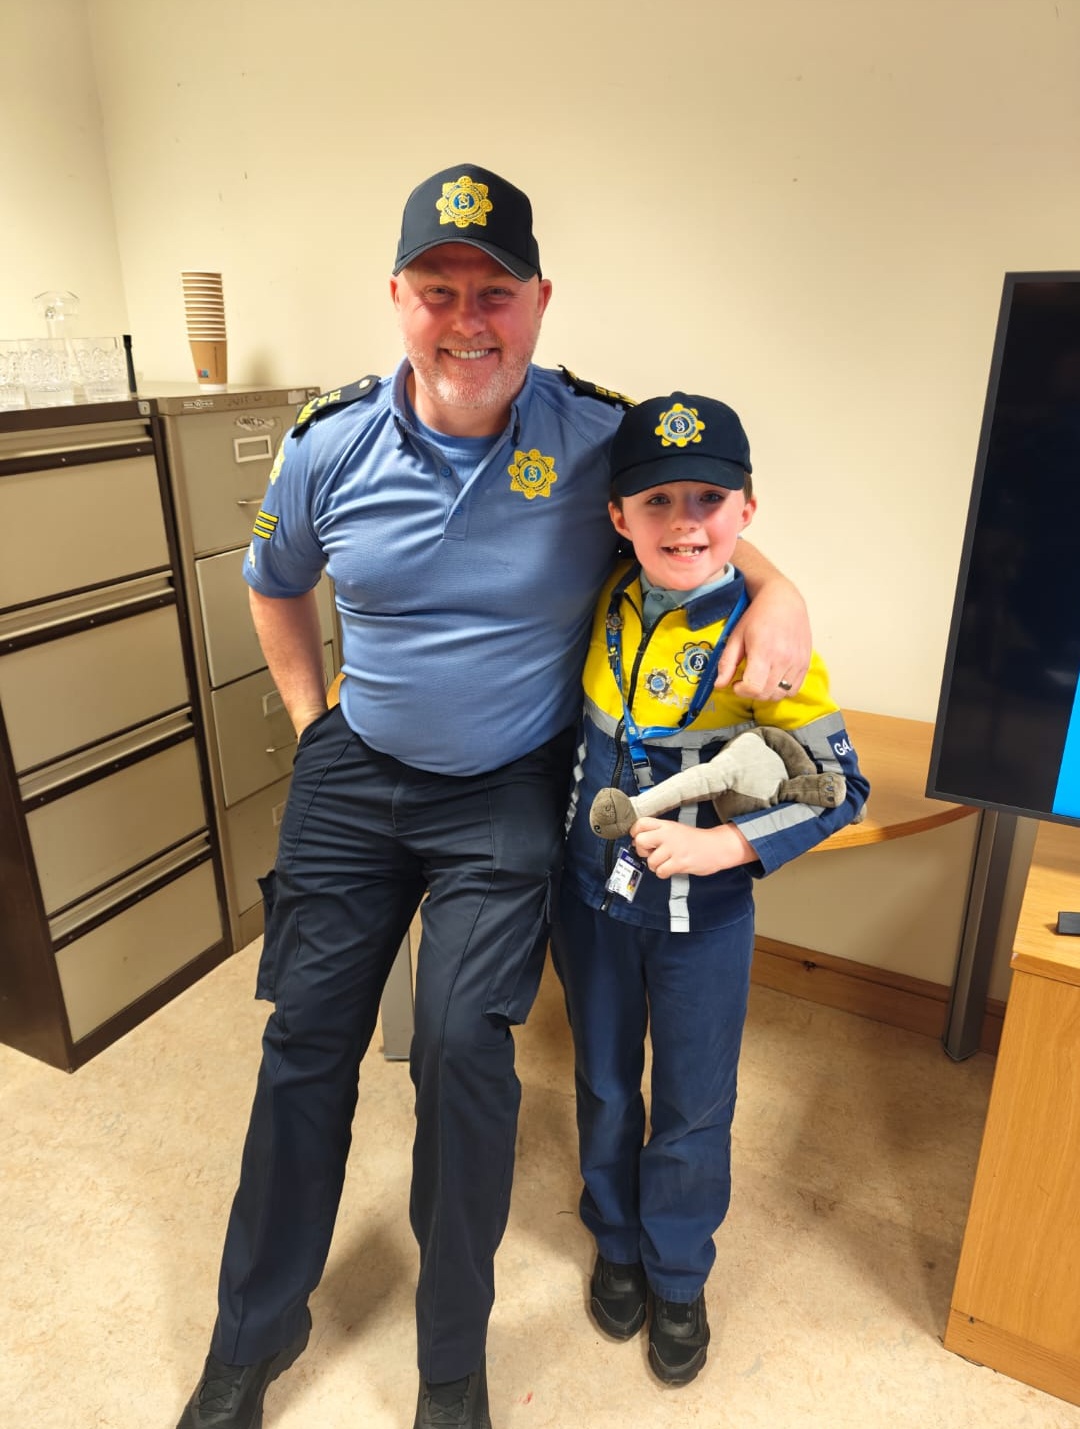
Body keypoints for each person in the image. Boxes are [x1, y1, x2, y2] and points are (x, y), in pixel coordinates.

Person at [176, 167, 814, 1429]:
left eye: (495, 293)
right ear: (397, 298)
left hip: (506, 785)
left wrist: (782, 588)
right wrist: (312, 726)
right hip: (358, 770)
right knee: (304, 1042)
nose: (468, 320)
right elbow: (272, 581)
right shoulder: (326, 442)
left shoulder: (591, 434)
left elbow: (691, 515)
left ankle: (449, 1365)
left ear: (540, 302)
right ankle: (253, 1330)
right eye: (439, 291)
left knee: (464, 1048)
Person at [550, 392, 869, 1387]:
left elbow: (839, 785)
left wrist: (727, 844)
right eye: (656, 500)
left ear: (746, 511)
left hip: (704, 923)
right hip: (591, 904)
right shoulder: (603, 592)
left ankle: (679, 1271)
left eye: (708, 499)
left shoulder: (763, 641)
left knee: (693, 1104)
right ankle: (614, 1238)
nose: (684, 521)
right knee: (603, 1080)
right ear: (618, 516)